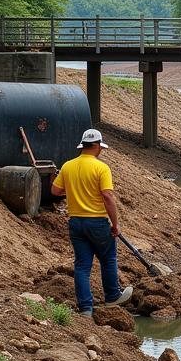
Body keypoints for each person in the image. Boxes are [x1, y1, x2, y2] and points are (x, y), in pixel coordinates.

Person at [51, 128, 133, 315]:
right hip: (97, 221)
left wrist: (73, 189)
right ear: (96, 146)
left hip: (76, 223)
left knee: (82, 265)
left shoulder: (67, 166)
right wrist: (115, 224)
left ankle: (85, 308)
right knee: (108, 258)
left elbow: (55, 191)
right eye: (100, 147)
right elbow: (107, 196)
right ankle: (112, 296)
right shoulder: (101, 168)